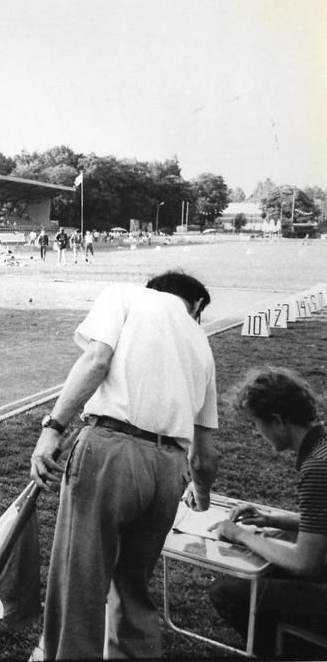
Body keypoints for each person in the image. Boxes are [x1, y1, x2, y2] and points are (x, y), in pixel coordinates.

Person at [30, 270, 220, 659]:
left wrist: (53, 428)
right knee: (133, 587)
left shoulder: (125, 295)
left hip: (112, 451)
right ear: (196, 305)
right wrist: (200, 496)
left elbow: (96, 359)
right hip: (171, 467)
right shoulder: (199, 339)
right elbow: (205, 454)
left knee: (79, 581)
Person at [209, 366, 327, 657]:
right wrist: (271, 519)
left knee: (227, 592)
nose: (255, 432)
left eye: (255, 424)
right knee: (271, 566)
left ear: (276, 421)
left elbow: (306, 563)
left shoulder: (316, 467)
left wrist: (240, 535)